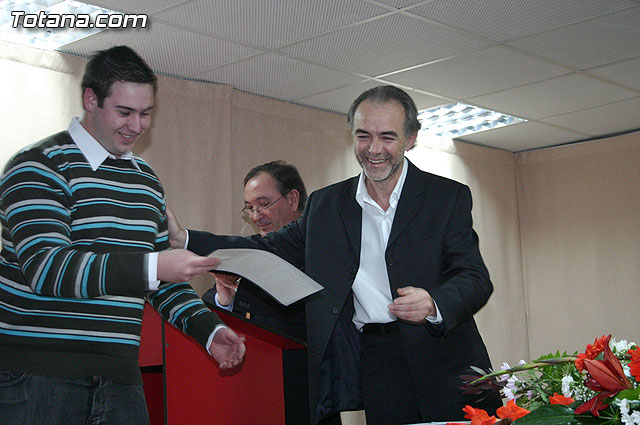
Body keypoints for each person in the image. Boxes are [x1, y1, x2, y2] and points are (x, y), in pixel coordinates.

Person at [168, 85, 501, 425]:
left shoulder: (445, 197)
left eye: (387, 137)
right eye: (363, 136)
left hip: (448, 357)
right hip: (379, 361)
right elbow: (266, 248)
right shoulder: (327, 206)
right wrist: (186, 239)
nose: (374, 149)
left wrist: (434, 302)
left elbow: (474, 278)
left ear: (410, 139)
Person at [0, 45, 245, 425]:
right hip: (37, 375)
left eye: (146, 113)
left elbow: (160, 279)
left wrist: (208, 329)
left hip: (120, 377)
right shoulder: (39, 165)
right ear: (91, 100)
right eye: (125, 112)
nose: (137, 125)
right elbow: (48, 268)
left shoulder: (146, 181)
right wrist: (154, 266)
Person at [201, 160, 309, 424]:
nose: (256, 215)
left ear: (293, 199)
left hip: (305, 388)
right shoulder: (250, 254)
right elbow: (211, 303)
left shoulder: (321, 250)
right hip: (254, 389)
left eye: (264, 204)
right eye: (250, 207)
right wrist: (225, 300)